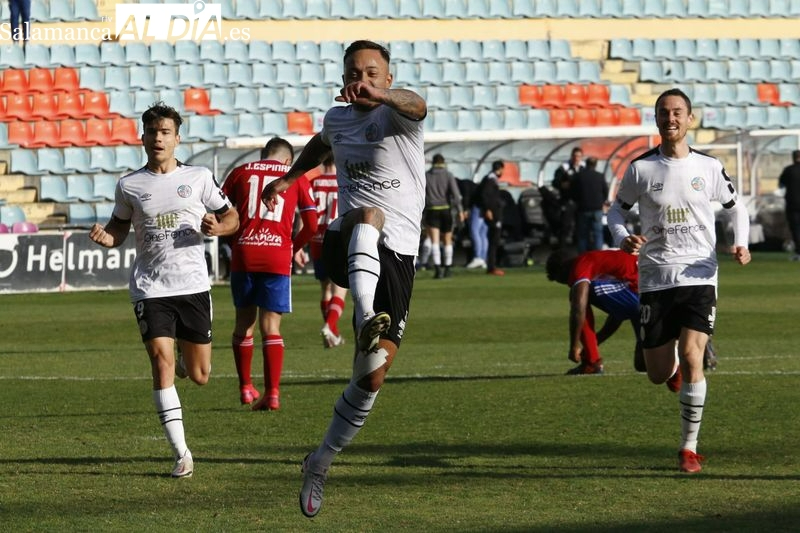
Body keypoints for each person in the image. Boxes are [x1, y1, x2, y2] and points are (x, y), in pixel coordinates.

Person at [260, 40, 426, 518]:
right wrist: (290, 179)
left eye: (373, 73)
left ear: (388, 78)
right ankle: (366, 311)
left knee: (370, 378)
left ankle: (319, 461)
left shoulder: (399, 114)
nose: (363, 80)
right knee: (368, 215)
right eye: (355, 72)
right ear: (344, 76)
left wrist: (382, 98)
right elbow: (322, 143)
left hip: (398, 257)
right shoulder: (337, 118)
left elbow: (420, 104)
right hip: (346, 238)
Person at [88, 102, 240, 478]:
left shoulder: (200, 177)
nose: (158, 138)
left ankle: (190, 363)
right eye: (152, 132)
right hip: (150, 288)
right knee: (161, 362)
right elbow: (119, 227)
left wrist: (219, 229)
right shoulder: (129, 185)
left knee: (201, 374)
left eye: (165, 132)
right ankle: (182, 454)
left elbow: (232, 216)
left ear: (177, 138)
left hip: (192, 286)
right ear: (142, 137)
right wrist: (108, 238)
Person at [606, 88, 751, 474]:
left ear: (690, 119)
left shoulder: (709, 167)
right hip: (655, 277)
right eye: (663, 112)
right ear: (656, 120)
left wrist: (741, 244)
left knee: (692, 354)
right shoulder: (641, 169)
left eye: (677, 112)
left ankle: (688, 448)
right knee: (657, 373)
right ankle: (669, 372)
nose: (670, 118)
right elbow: (615, 215)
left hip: (700, 274)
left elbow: (738, 209)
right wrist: (623, 239)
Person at [222, 137, 318, 410]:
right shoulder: (294, 176)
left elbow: (219, 214)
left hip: (244, 253)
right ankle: (272, 393)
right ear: (288, 161)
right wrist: (291, 248)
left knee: (244, 324)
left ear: (263, 155)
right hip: (276, 255)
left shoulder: (239, 172)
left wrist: (234, 245)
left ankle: (245, 388)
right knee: (271, 327)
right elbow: (311, 225)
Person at [546, 248, 645, 376]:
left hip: (639, 298)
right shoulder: (603, 262)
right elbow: (619, 312)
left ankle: (591, 362)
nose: (569, 283)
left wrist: (574, 346)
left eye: (563, 280)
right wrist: (597, 340)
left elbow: (578, 308)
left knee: (578, 294)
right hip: (650, 301)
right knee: (643, 364)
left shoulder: (581, 264)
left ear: (563, 269)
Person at [309, 154, 349, 348]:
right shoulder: (343, 181)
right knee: (340, 288)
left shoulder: (314, 182)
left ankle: (332, 334)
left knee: (325, 288)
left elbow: (306, 213)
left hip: (317, 239)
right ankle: (329, 325)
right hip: (337, 238)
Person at [422, 153, 465, 278]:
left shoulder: (427, 176)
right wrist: (460, 211)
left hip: (432, 210)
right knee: (447, 240)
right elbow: (456, 195)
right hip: (446, 210)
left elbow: (422, 195)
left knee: (434, 241)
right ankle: (447, 268)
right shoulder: (448, 175)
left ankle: (437, 269)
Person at [472, 160, 506, 276]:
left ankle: (490, 264)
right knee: (493, 240)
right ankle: (491, 266)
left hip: (494, 213)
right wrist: (488, 209)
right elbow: (485, 196)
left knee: (491, 239)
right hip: (494, 215)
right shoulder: (490, 180)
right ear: (500, 169)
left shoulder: (490, 179)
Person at [571, 156, 609, 253]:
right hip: (597, 209)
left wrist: (578, 201)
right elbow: (605, 191)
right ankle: (598, 256)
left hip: (583, 209)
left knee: (583, 235)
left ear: (586, 164)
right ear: (595, 165)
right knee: (598, 234)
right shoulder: (600, 176)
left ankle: (582, 257)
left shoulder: (579, 176)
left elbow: (573, 192)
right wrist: (601, 202)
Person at [552, 146, 584, 248]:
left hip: (580, 203)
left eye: (579, 156)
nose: (576, 158)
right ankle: (562, 249)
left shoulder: (583, 169)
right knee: (565, 226)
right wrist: (563, 184)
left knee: (579, 227)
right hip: (567, 201)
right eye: (575, 156)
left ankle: (577, 249)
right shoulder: (564, 168)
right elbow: (555, 182)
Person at [778, 150, 800, 260]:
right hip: (793, 204)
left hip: (793, 204)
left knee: (795, 229)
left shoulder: (788, 170)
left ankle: (798, 252)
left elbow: (781, 185)